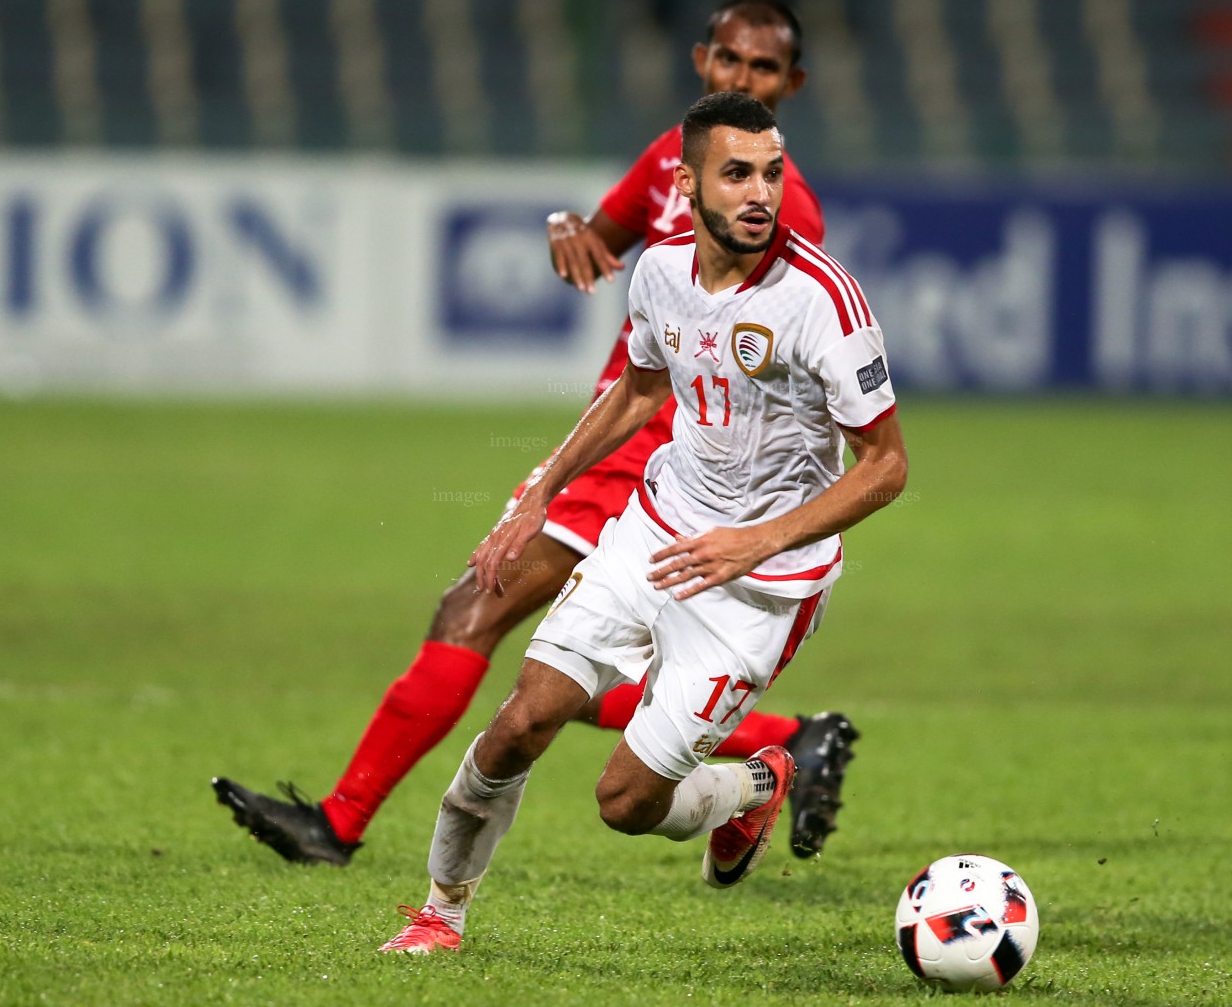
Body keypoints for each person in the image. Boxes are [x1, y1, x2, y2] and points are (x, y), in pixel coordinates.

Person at [211, 0, 859, 868]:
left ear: (793, 83)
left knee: (478, 612)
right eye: (731, 61)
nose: (744, 78)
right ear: (703, 61)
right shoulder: (671, 159)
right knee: (554, 658)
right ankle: (789, 739)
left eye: (764, 67)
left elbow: (783, 384)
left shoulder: (788, 215)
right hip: (616, 432)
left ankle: (341, 824)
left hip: (666, 463)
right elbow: (601, 238)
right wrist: (569, 230)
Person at [376, 90, 908, 955]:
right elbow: (639, 389)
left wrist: (757, 539)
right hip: (654, 531)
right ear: (688, 181)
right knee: (521, 722)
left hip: (763, 586)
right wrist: (540, 496)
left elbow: (888, 467)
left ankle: (753, 786)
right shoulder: (659, 269)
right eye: (736, 174)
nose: (760, 194)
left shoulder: (824, 302)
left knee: (625, 804)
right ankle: (441, 914)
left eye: (772, 173)